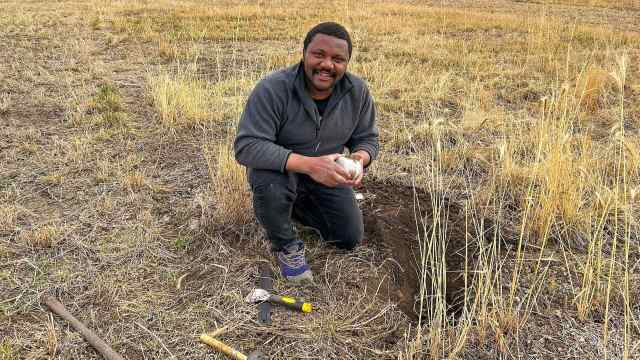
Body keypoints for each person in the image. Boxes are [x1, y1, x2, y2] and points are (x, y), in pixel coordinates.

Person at [234, 22, 379, 283]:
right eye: (319, 55)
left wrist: (358, 160)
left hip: (327, 175)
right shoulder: (273, 89)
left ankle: (294, 206)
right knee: (269, 182)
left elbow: (368, 139)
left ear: (347, 63)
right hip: (281, 171)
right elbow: (248, 146)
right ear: (304, 53)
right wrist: (312, 165)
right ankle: (285, 243)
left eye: (338, 59)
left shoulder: (357, 92)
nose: (327, 65)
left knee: (347, 238)